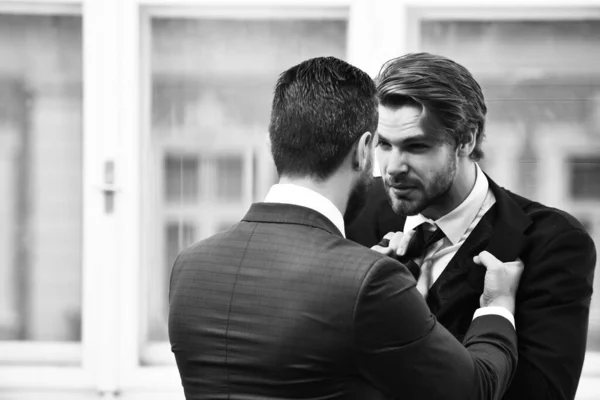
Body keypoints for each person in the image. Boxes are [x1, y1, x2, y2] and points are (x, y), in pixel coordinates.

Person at [169, 56, 523, 400]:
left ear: (271, 145)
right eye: (383, 144)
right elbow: (476, 388)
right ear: (364, 150)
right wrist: (497, 305)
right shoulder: (369, 281)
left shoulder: (190, 266)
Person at [346, 52, 597, 400]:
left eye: (416, 146)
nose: (392, 167)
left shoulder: (553, 242)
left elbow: (542, 395)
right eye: (384, 144)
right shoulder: (353, 210)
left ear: (466, 139)